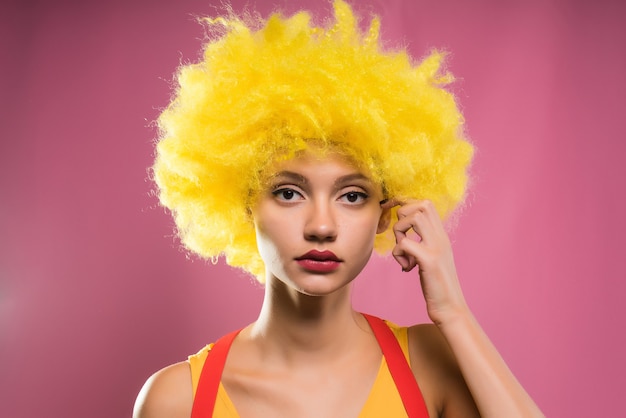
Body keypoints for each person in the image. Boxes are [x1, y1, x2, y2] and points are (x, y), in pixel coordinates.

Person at [133, 1, 544, 416]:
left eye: (352, 196)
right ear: (244, 202)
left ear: (385, 213)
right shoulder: (177, 398)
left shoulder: (428, 364)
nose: (322, 226)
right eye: (289, 193)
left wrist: (453, 312)